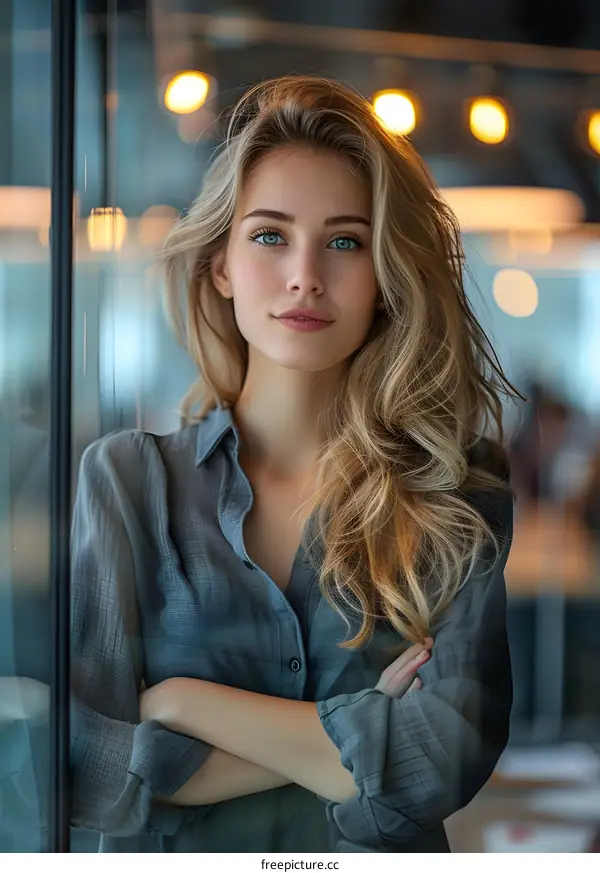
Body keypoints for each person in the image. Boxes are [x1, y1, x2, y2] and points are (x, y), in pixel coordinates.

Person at [69, 75, 516, 853]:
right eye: (270, 235)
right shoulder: (128, 482)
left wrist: (180, 700)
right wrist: (354, 742)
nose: (305, 273)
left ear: (384, 277)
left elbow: (445, 754)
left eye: (344, 241)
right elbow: (85, 763)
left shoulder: (454, 490)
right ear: (220, 265)